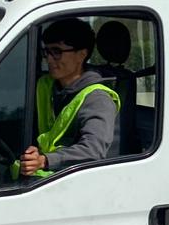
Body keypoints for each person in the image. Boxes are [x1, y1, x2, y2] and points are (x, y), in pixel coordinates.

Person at [18, 17, 120, 177]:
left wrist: (44, 161)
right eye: (46, 52)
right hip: (46, 180)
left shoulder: (98, 98)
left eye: (57, 52)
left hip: (73, 184)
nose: (49, 59)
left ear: (81, 54)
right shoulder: (45, 85)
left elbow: (93, 150)